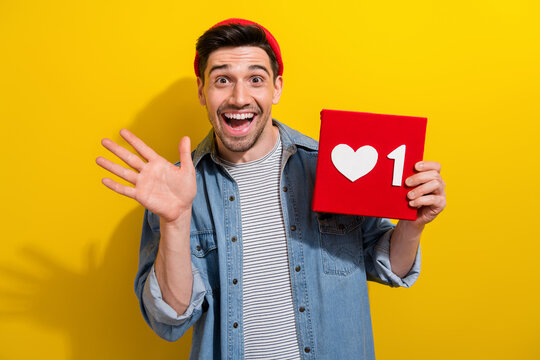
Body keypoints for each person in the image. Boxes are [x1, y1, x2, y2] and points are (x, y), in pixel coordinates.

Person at [96, 18, 446, 360]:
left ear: (277, 87)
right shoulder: (174, 189)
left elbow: (389, 267)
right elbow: (170, 319)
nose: (239, 97)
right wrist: (175, 220)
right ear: (202, 91)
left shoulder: (330, 166)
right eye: (222, 80)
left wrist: (413, 223)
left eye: (255, 79)